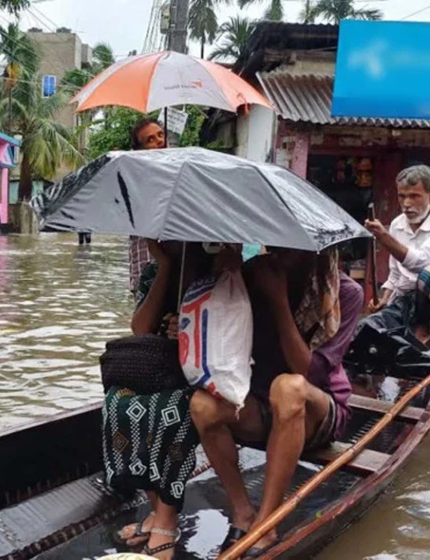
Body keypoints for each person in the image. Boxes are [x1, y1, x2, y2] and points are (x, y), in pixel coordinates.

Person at [190, 247, 363, 556]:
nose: (279, 252)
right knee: (202, 405)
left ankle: (267, 522)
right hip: (261, 401)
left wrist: (279, 300)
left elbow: (308, 372)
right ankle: (243, 511)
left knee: (288, 387)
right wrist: (226, 280)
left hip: (317, 408)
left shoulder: (345, 293)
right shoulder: (251, 278)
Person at [110, 240, 242, 559]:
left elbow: (235, 330)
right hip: (163, 371)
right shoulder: (156, 271)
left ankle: (167, 519)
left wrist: (191, 329)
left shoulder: (222, 269)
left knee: (172, 408)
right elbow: (140, 328)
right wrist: (166, 269)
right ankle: (156, 507)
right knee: (120, 404)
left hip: (209, 374)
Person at [364, 165, 430, 340]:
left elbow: (423, 262)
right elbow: (395, 273)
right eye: (402, 196)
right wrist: (384, 299)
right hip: (405, 302)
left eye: (414, 196)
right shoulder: (397, 224)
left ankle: (422, 334)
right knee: (365, 329)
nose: (406, 203)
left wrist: (384, 237)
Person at [127, 118, 167, 294]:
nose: (159, 141)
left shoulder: (180, 170)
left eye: (160, 135)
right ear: (140, 150)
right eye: (150, 140)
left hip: (177, 258)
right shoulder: (135, 177)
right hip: (147, 255)